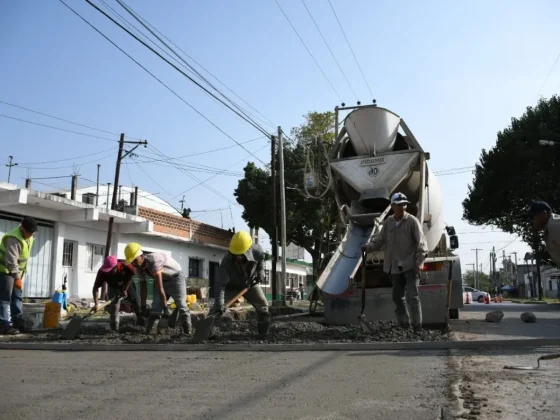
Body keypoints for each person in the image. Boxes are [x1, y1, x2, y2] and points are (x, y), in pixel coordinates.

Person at [363, 192, 428, 330]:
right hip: (394, 267)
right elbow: (380, 239)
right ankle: (405, 325)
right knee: (397, 297)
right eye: (399, 205)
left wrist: (419, 261)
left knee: (412, 297)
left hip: (410, 265)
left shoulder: (411, 221)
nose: (403, 207)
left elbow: (421, 243)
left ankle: (418, 327)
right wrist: (369, 247)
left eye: (404, 204)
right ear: (393, 206)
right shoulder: (389, 223)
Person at [211, 231, 270, 337]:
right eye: (236, 255)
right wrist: (220, 305)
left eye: (241, 255)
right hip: (231, 286)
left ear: (249, 249)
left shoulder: (257, 250)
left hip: (250, 284)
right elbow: (220, 285)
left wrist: (260, 271)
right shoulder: (227, 261)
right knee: (216, 310)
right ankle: (206, 334)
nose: (238, 257)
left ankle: (263, 334)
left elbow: (261, 259)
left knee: (263, 306)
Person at [124, 242, 192, 335]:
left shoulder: (155, 261)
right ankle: (150, 332)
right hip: (161, 280)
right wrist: (143, 306)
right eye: (132, 262)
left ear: (142, 256)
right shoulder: (138, 268)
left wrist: (165, 309)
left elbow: (161, 289)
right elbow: (144, 289)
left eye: (135, 260)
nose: (133, 264)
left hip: (176, 278)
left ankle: (188, 332)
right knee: (156, 308)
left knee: (181, 305)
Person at [0, 216, 38, 335]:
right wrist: (17, 277)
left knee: (17, 297)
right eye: (29, 233)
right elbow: (11, 260)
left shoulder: (29, 236)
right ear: (22, 228)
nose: (30, 235)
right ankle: (4, 324)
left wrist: (19, 276)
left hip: (18, 273)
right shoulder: (13, 238)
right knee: (5, 299)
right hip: (5, 271)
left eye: (32, 233)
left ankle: (17, 321)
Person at [92, 255, 145, 331]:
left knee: (136, 302)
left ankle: (141, 325)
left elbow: (130, 277)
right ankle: (114, 329)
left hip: (127, 284)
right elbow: (95, 288)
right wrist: (96, 304)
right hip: (113, 286)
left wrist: (125, 289)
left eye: (110, 270)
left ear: (116, 266)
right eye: (107, 271)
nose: (108, 272)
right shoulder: (102, 272)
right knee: (114, 309)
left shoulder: (127, 266)